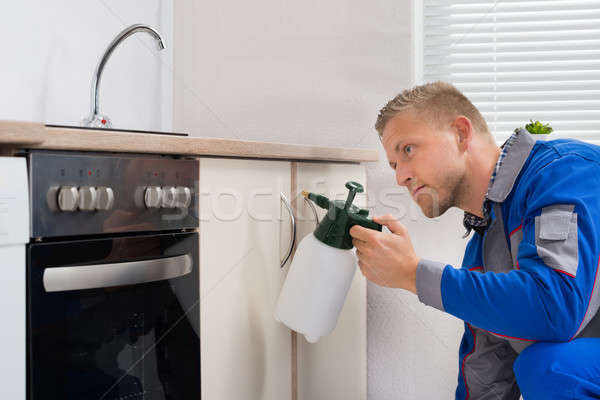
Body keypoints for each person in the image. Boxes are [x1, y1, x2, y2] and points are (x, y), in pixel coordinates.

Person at [349, 81, 600, 399]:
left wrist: (413, 274)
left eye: (408, 150)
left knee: (550, 366)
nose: (400, 177)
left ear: (461, 133)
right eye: (395, 165)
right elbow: (485, 375)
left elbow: (555, 308)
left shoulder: (562, 173)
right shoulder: (485, 246)